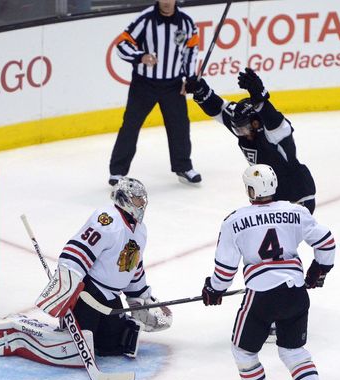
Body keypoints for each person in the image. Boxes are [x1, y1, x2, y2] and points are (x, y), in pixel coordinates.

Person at [201, 164, 336, 380]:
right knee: (294, 351)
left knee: (243, 350)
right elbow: (327, 243)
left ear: (251, 190)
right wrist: (319, 270)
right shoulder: (296, 211)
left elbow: (225, 272)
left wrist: (214, 290)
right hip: (295, 291)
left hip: (261, 296)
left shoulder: (234, 220)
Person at [35, 177, 172, 358]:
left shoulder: (140, 230)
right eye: (138, 199)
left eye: (142, 200)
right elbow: (79, 249)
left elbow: (134, 265)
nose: (142, 204)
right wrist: (67, 280)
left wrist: (139, 296)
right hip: (88, 293)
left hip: (111, 296)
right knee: (79, 343)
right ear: (125, 198)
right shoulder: (107, 219)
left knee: (112, 346)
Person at [186, 68, 316, 213]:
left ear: (256, 124)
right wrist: (201, 91)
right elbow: (220, 108)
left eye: (244, 129)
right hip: (268, 194)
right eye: (238, 130)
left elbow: (275, 120)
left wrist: (260, 99)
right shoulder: (242, 122)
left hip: (297, 194)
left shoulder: (274, 132)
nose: (242, 134)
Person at [108, 0, 201, 186]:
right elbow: (121, 44)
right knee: (130, 126)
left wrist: (190, 79)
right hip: (144, 84)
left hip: (173, 85)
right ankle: (117, 172)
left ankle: (183, 166)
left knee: (180, 126)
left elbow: (191, 51)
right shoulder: (145, 19)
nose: (166, 2)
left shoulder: (187, 22)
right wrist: (140, 57)